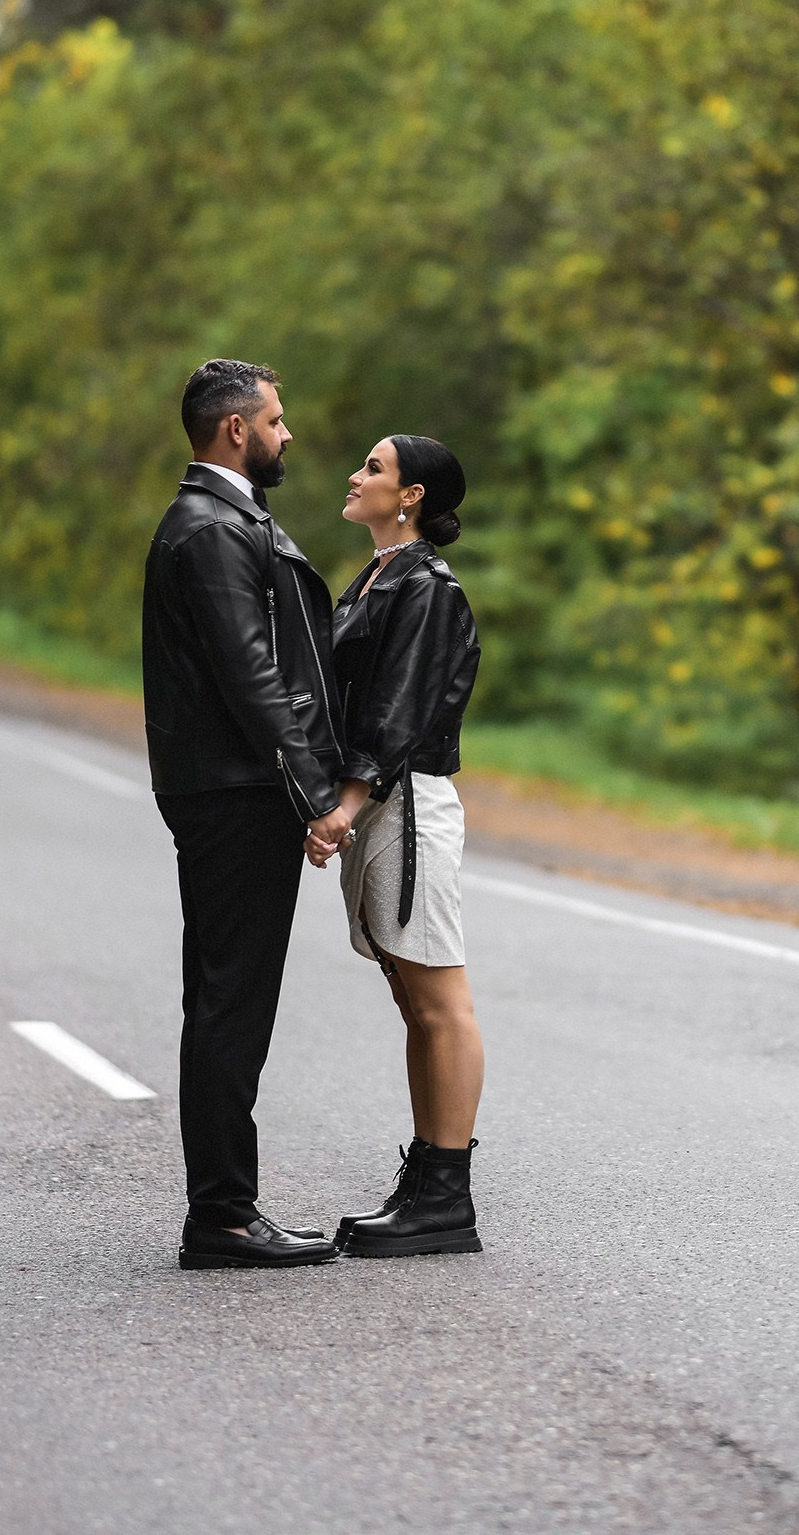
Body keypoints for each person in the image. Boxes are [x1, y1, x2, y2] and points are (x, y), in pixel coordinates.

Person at [142, 359, 347, 1271]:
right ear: (236, 430)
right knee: (231, 1001)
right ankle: (223, 1214)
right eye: (276, 417)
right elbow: (251, 675)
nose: (287, 432)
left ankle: (223, 1207)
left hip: (231, 786)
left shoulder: (220, 518)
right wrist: (314, 795)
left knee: (226, 997)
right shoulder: (211, 528)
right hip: (235, 791)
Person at [304, 434, 484, 1257]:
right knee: (413, 1000)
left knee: (440, 1001)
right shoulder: (379, 575)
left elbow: (399, 708)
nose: (356, 474)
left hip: (404, 802)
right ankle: (427, 1181)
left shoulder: (427, 586)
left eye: (373, 467)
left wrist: (347, 802)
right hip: (381, 802)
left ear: (410, 494)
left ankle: (447, 1195)